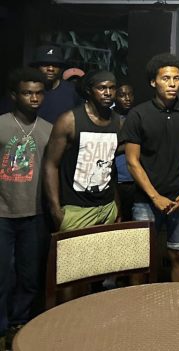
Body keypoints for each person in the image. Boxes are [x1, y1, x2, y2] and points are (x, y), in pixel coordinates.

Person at [120, 53, 179, 282]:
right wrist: (155, 196)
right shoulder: (138, 114)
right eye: (166, 78)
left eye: (176, 78)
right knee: (141, 260)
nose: (172, 83)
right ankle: (140, 310)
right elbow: (132, 161)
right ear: (153, 82)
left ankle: (177, 308)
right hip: (146, 200)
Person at [0, 68, 53, 349]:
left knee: (30, 275)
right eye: (27, 93)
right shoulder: (2, 125)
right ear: (14, 95)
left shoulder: (48, 130)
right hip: (2, 213)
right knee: (2, 275)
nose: (34, 98)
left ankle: (18, 324)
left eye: (38, 93)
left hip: (35, 214)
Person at [43, 71, 120, 232]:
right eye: (102, 88)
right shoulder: (69, 120)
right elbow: (51, 165)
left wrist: (116, 205)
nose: (108, 93)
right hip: (76, 210)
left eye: (112, 88)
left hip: (107, 208)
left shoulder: (118, 122)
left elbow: (112, 167)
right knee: (73, 258)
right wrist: (56, 210)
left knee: (106, 257)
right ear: (89, 91)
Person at [29, 45, 80, 124]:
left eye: (55, 65)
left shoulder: (72, 91)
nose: (51, 69)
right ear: (36, 67)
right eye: (45, 64)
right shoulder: (26, 91)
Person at [113, 83, 135, 221]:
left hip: (135, 179)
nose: (127, 98)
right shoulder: (109, 118)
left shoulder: (138, 115)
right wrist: (132, 145)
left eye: (130, 94)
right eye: (122, 95)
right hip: (116, 180)